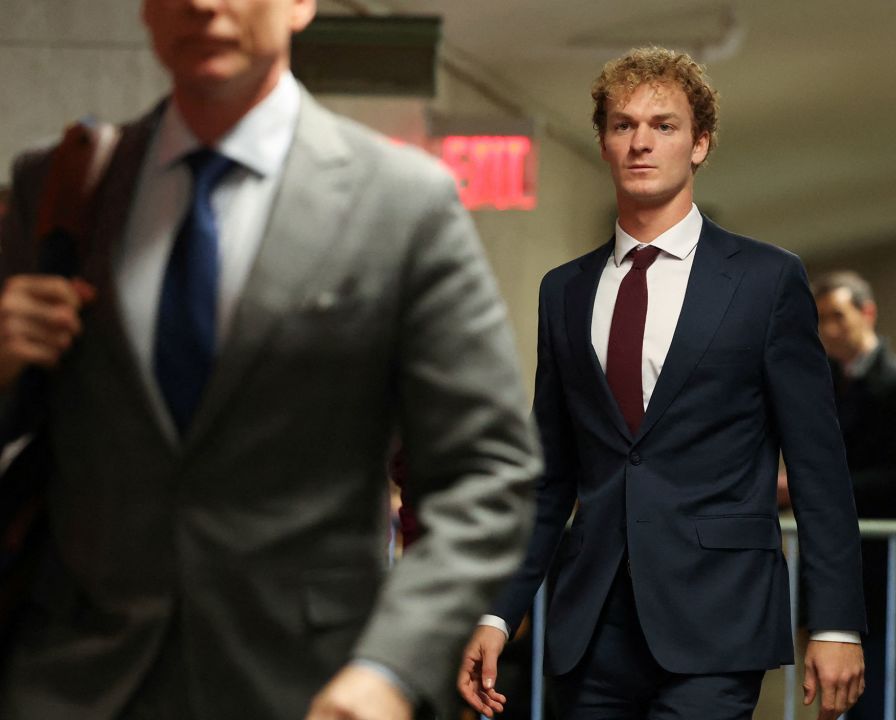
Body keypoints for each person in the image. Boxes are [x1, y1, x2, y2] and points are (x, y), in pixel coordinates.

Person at [0, 1, 539, 718]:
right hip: (76, 683)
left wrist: (392, 667)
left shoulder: (400, 204)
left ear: (300, 5)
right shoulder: (64, 185)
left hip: (307, 686)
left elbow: (489, 473)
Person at [457, 47, 867, 720]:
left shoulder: (766, 282)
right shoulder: (566, 292)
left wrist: (835, 623)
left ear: (700, 143)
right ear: (602, 142)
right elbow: (549, 476)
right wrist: (498, 613)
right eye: (623, 125)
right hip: (591, 624)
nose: (641, 141)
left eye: (664, 125)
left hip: (718, 616)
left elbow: (820, 466)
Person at [810, 271, 896, 720]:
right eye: (821, 319)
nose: (829, 330)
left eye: (838, 317)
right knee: (840, 688)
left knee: (874, 685)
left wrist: (811, 488)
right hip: (841, 556)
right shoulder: (830, 382)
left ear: (868, 313)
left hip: (881, 563)